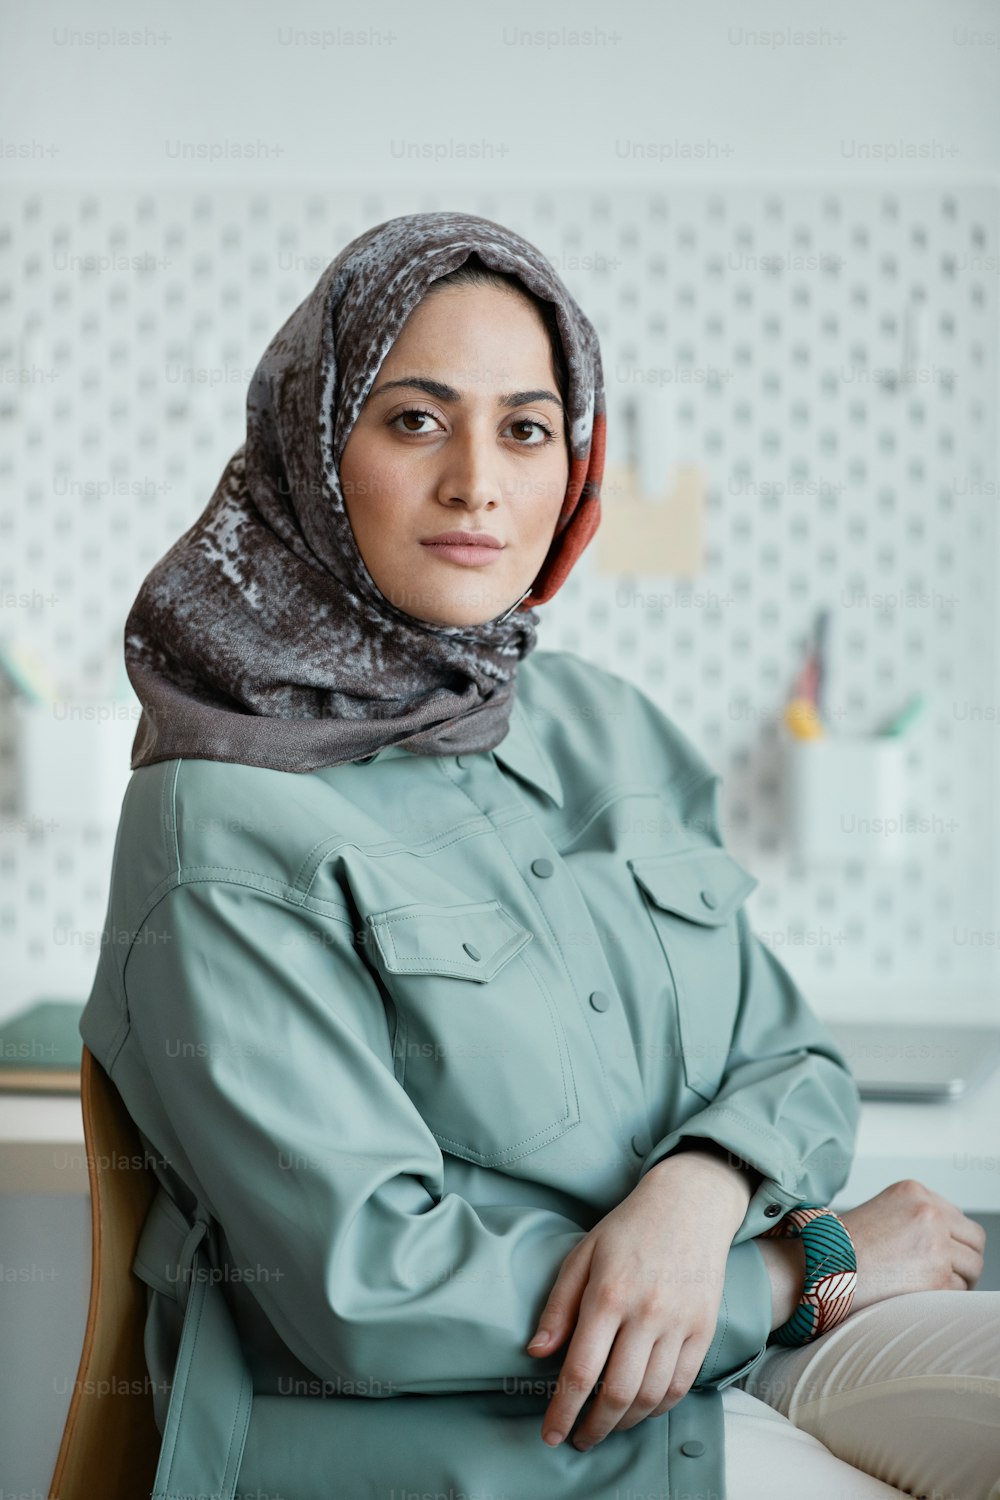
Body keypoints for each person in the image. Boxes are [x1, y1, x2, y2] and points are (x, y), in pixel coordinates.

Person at [80, 211, 998, 1500]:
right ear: (312, 446)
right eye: (413, 419)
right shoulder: (221, 819)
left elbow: (792, 1058)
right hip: (508, 1444)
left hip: (729, 1361)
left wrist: (704, 1181)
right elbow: (371, 1291)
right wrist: (799, 1272)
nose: (478, 484)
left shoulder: (596, 721)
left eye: (523, 426)